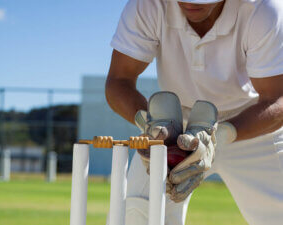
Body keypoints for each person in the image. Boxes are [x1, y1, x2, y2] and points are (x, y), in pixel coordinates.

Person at [105, 0, 283, 224]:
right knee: (138, 215)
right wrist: (151, 126)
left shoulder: (264, 8)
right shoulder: (148, 4)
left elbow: (277, 99)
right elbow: (118, 82)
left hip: (250, 124)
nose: (189, 3)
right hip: (174, 126)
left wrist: (217, 137)